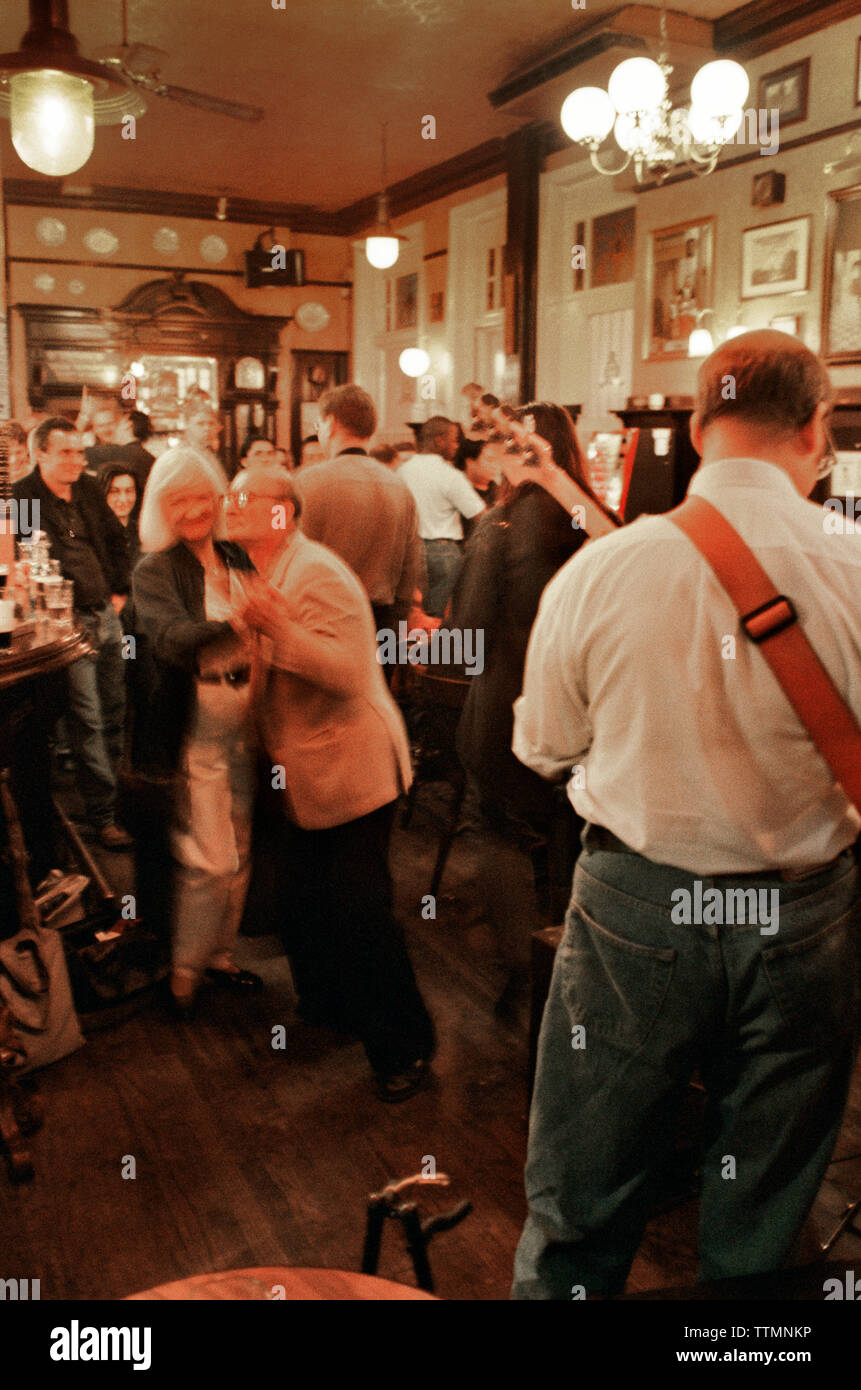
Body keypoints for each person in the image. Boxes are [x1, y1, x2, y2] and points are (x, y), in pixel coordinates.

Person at [510, 330, 861, 1299]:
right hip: (803, 910)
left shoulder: (603, 570)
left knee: (582, 1191)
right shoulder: (856, 563)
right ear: (816, 428)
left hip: (639, 903)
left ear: (701, 424)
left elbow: (540, 745)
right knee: (765, 1201)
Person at [224, 461, 435, 1102]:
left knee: (360, 911)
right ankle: (332, 1010)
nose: (229, 502)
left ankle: (406, 1051)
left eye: (243, 495)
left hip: (353, 766)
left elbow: (347, 672)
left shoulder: (317, 571)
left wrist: (275, 629)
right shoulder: (263, 569)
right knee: (300, 901)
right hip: (302, 768)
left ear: (281, 512)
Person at [451, 404, 621, 1017]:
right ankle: (579, 958)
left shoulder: (500, 524)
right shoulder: (589, 518)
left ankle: (525, 975)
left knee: (498, 831)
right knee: (577, 833)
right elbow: (622, 559)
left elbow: (467, 637)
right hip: (592, 710)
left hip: (509, 708)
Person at [130, 446, 261, 1014]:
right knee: (212, 857)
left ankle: (219, 956)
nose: (191, 509)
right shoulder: (154, 568)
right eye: (176, 499)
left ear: (217, 494)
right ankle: (183, 972)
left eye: (199, 495)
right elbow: (167, 638)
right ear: (161, 508)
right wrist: (229, 621)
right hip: (194, 728)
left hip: (248, 719)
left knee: (244, 842)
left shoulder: (234, 553)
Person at [12, 419, 132, 850]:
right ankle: (102, 815)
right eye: (67, 452)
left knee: (115, 710)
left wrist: (118, 592)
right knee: (88, 719)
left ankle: (116, 801)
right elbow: (25, 553)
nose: (79, 460)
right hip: (67, 624)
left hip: (105, 613)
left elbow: (118, 541)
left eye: (81, 452)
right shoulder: (24, 496)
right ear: (41, 452)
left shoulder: (86, 491)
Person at [296, 384, 425, 637]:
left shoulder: (306, 482)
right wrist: (397, 623)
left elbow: (286, 551)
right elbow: (411, 567)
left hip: (322, 620)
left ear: (330, 423)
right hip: (381, 621)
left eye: (318, 425)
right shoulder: (400, 487)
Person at [398, 416, 485, 618]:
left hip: (410, 552)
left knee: (414, 618)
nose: (457, 445)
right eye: (454, 439)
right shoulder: (450, 475)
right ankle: (437, 650)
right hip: (444, 552)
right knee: (440, 620)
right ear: (439, 440)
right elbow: (480, 516)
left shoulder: (402, 471)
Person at [99, 464, 141, 572]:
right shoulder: (96, 535)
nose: (123, 499)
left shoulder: (143, 533)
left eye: (129, 491)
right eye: (114, 491)